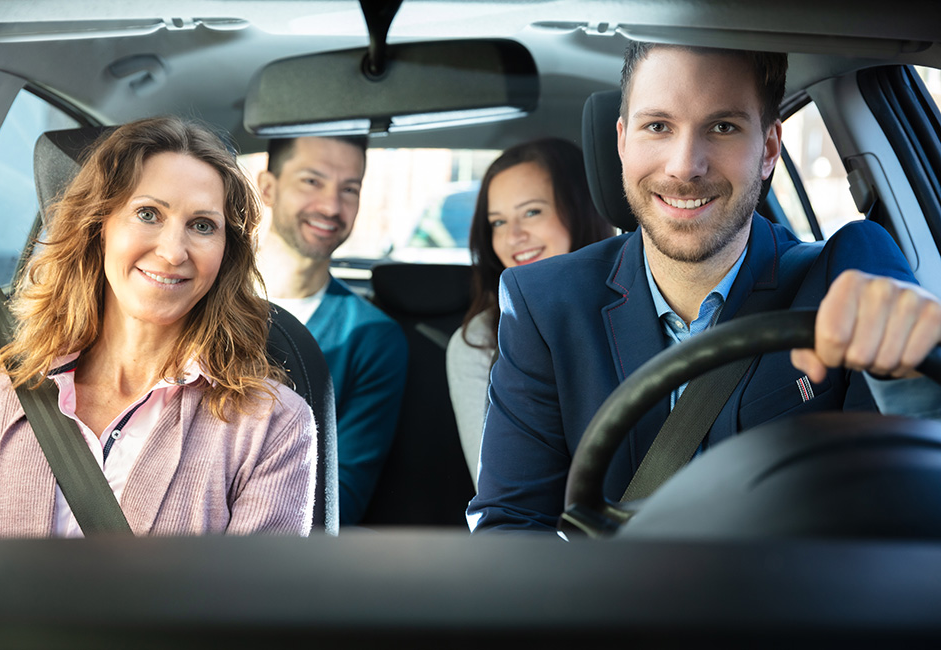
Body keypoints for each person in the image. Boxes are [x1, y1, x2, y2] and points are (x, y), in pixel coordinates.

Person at [467, 43, 941, 533]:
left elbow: (901, 507)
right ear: (623, 142)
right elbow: (510, 525)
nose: (685, 165)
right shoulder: (542, 303)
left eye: (722, 127)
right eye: (658, 127)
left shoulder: (846, 274)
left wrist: (907, 378)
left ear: (770, 149)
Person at [0, 117, 317, 538]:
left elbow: (255, 601)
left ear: (226, 253)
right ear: (100, 226)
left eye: (202, 225)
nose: (174, 252)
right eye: (148, 213)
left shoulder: (272, 427)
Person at [255, 136, 407, 526]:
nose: (331, 206)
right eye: (312, 181)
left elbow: (339, 499)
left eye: (349, 189)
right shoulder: (194, 296)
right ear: (268, 188)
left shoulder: (371, 337)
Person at [446, 138, 612, 487]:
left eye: (532, 212)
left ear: (580, 209)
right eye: (498, 222)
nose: (514, 237)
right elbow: (503, 495)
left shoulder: (650, 306)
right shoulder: (478, 341)